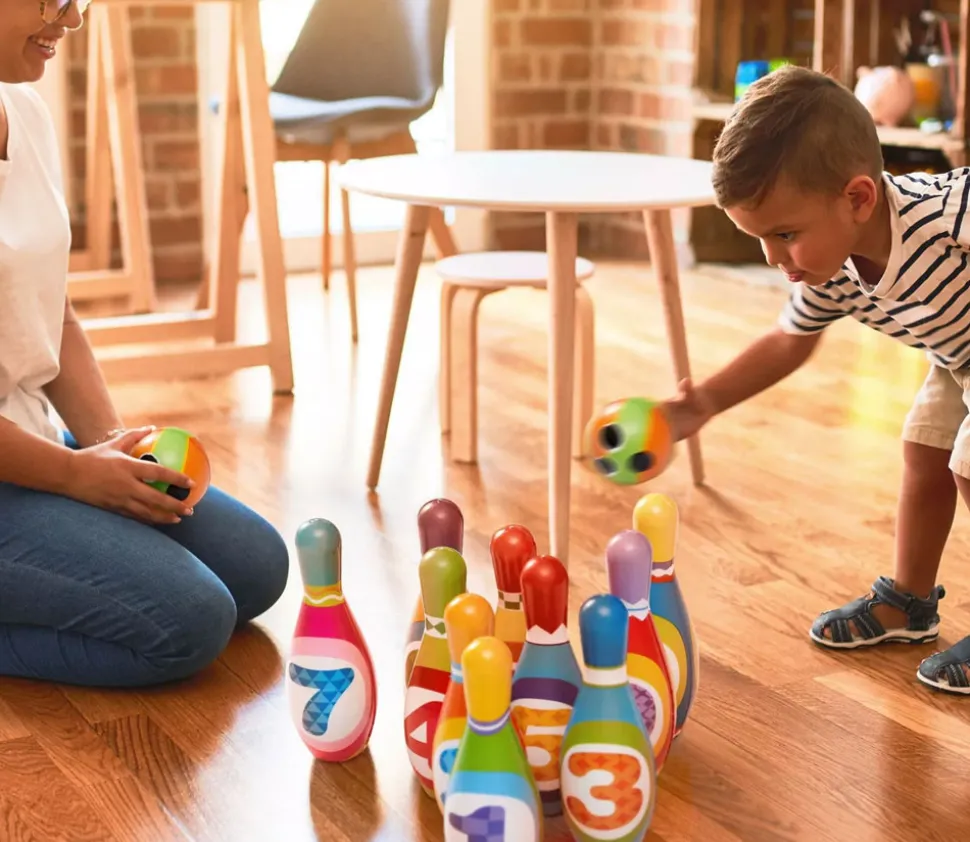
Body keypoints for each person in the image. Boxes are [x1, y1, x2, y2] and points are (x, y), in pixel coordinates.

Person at [0, 1, 288, 688]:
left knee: (256, 567)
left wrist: (116, 451)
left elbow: (54, 313)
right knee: (189, 621)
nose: (71, 18)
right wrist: (76, 476)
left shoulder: (26, 113)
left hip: (33, 443)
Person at [662, 64, 970, 696]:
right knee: (927, 447)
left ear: (857, 199)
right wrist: (704, 403)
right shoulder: (832, 269)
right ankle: (910, 602)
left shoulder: (945, 215)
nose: (774, 258)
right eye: (760, 239)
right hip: (959, 356)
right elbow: (788, 341)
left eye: (785, 234)